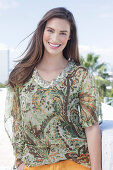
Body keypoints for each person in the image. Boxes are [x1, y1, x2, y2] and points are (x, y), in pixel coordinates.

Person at [4, 7, 102, 170]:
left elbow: (91, 127)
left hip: (74, 162)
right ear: (42, 31)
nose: (55, 38)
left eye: (63, 33)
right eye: (50, 30)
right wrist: (20, 162)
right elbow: (17, 122)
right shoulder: (22, 74)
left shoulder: (80, 75)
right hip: (33, 164)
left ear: (70, 36)